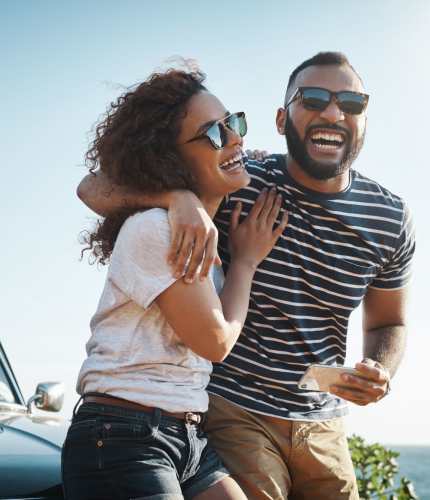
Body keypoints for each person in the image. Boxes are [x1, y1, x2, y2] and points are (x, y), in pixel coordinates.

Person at [77, 52, 415, 500]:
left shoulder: (389, 217)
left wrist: (381, 369)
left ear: (365, 119)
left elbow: (389, 322)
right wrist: (178, 197)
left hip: (323, 421)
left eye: (351, 103)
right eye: (312, 98)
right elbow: (93, 187)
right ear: (282, 119)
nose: (332, 112)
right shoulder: (238, 176)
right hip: (233, 409)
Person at [63, 65, 287, 500]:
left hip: (184, 436)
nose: (235, 137)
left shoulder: (196, 225)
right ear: (170, 158)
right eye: (215, 134)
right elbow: (215, 342)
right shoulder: (156, 229)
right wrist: (244, 263)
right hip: (123, 437)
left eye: (234, 122)